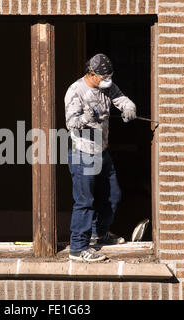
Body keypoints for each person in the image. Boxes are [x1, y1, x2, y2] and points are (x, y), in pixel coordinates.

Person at [64, 53, 137, 262]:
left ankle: (99, 233)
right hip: (83, 153)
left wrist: (129, 108)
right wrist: (88, 116)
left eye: (110, 75)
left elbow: (120, 98)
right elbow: (71, 123)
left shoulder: (107, 86)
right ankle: (78, 248)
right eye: (105, 76)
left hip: (102, 151)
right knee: (85, 201)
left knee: (113, 194)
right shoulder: (75, 91)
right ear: (92, 74)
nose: (108, 80)